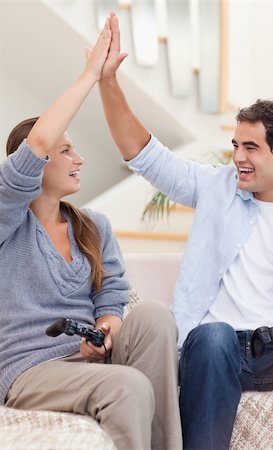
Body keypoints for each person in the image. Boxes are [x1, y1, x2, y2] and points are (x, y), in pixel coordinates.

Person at [98, 13, 273, 450]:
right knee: (213, 335)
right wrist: (108, 83)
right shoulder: (215, 187)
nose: (238, 158)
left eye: (251, 148)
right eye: (235, 146)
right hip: (216, 347)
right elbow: (143, 154)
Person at [0, 18, 183, 450]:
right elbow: (40, 138)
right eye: (66, 150)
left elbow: (112, 293)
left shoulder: (93, 225)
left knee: (155, 316)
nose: (79, 159)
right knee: (129, 387)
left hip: (88, 358)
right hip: (30, 370)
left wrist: (106, 329)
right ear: (37, 163)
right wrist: (90, 76)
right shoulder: (7, 218)